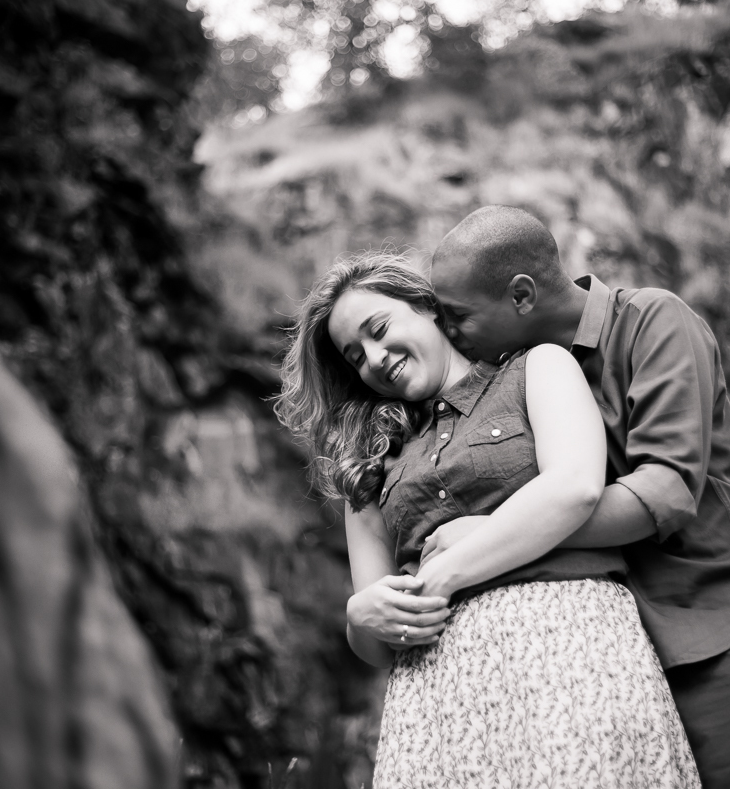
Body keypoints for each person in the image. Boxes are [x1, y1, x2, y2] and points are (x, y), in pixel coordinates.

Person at [423, 205, 730, 789]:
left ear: (520, 296)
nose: (448, 333)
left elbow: (664, 491)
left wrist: (492, 534)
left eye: (458, 316)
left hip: (727, 637)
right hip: (617, 668)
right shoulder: (514, 384)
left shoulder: (652, 321)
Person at [275, 250, 700, 789]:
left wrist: (444, 573)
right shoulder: (368, 464)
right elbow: (380, 638)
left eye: (379, 330)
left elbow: (575, 486)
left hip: (569, 653)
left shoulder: (537, 368)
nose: (375, 359)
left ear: (427, 307)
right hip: (438, 699)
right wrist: (360, 619)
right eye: (355, 357)